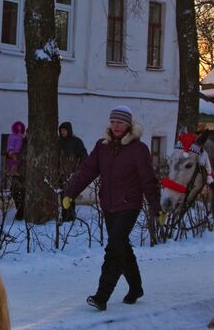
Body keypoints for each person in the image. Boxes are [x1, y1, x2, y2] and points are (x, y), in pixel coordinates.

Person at [60, 105, 160, 310]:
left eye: (120, 122)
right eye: (113, 122)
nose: (116, 126)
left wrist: (156, 207)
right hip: (109, 205)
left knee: (114, 248)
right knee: (122, 247)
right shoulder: (102, 147)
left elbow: (148, 180)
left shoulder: (138, 149)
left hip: (129, 205)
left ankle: (101, 296)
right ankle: (136, 287)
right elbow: (87, 171)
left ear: (128, 125)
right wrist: (69, 192)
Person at [56, 121, 88, 222]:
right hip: (61, 172)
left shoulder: (76, 141)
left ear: (69, 130)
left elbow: (83, 155)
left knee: (70, 194)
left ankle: (71, 214)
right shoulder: (58, 142)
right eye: (61, 131)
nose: (63, 132)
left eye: (65, 130)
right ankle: (65, 214)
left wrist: (79, 168)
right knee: (63, 194)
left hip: (72, 172)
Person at [5, 121, 27, 220]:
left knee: (22, 191)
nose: (18, 129)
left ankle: (20, 212)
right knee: (14, 190)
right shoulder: (12, 137)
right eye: (16, 127)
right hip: (15, 167)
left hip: (23, 169)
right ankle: (19, 209)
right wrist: (11, 153)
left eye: (20, 127)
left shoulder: (24, 139)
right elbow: (9, 149)